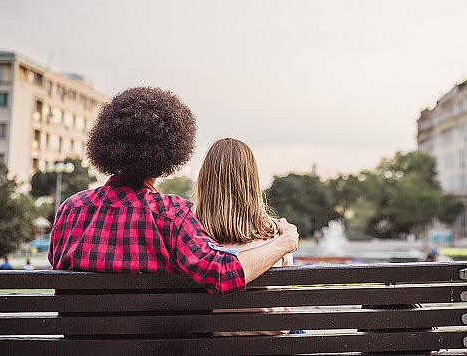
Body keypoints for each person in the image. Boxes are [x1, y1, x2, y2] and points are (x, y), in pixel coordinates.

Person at [49, 87, 298, 295]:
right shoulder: (173, 215)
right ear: (169, 154)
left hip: (81, 342)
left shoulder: (71, 209)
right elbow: (222, 274)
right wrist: (284, 243)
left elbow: (56, 265)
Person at [195, 138, 297, 335]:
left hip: (214, 345)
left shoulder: (190, 236)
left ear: (205, 181)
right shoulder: (279, 234)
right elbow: (285, 305)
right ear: (252, 182)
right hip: (271, 346)